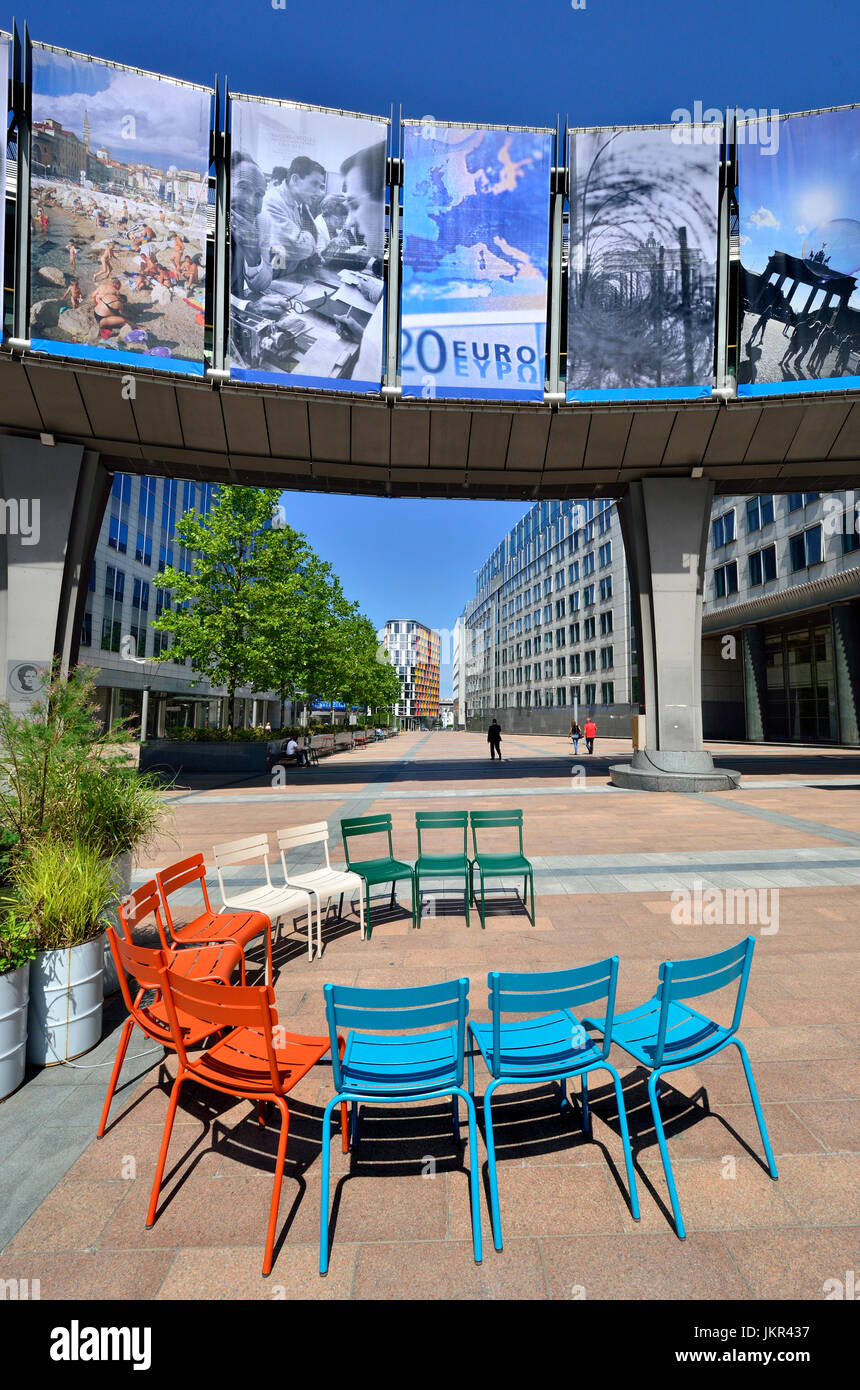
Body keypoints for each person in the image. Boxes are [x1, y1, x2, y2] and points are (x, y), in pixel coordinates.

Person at [262, 157, 327, 276]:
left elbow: (308, 246)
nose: (318, 193)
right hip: (271, 280)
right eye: (314, 184)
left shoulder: (301, 204)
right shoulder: (272, 201)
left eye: (320, 186)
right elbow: (297, 248)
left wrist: (311, 254)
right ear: (295, 180)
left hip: (287, 276)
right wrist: (310, 241)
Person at [230, 152, 274, 297]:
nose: (251, 202)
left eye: (259, 195)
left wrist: (253, 253)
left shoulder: (262, 221)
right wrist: (245, 306)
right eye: (244, 188)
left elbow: (263, 284)